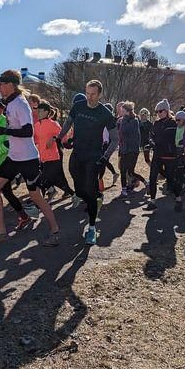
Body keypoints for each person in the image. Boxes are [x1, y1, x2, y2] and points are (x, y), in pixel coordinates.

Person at [0, 70, 60, 246]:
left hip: (28, 159)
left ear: (10, 85)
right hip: (14, 157)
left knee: (36, 196)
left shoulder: (20, 104)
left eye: (1, 84)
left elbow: (28, 132)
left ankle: (55, 230)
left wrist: (5, 131)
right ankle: (2, 232)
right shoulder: (10, 104)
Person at [56, 80, 118, 245]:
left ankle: (91, 228)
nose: (89, 97)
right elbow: (68, 122)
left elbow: (115, 139)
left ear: (99, 94)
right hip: (77, 154)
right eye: (87, 93)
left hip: (93, 156)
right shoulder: (78, 106)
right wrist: (60, 137)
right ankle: (88, 198)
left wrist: (105, 157)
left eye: (93, 94)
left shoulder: (105, 113)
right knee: (78, 187)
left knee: (89, 192)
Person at [0, 98, 32, 235]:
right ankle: (23, 216)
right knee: (5, 191)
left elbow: (10, 143)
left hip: (7, 162)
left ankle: (6, 221)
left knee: (2, 190)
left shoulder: (6, 122)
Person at [34, 100, 74, 199]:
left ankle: (37, 204)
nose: (38, 113)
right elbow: (35, 140)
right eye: (37, 111)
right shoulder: (36, 125)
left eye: (40, 111)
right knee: (56, 180)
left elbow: (63, 137)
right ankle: (74, 194)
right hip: (42, 158)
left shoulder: (53, 124)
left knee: (43, 180)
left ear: (47, 112)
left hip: (53, 158)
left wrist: (54, 138)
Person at [147, 99, 182, 211]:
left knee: (171, 179)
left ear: (167, 111)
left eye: (161, 111)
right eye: (157, 112)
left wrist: (155, 141)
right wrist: (151, 141)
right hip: (157, 154)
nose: (158, 113)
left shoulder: (172, 123)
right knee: (152, 178)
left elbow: (167, 137)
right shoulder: (156, 123)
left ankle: (178, 199)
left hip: (169, 155)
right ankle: (152, 201)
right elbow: (152, 135)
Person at [117, 101, 146, 198]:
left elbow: (125, 131)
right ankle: (124, 190)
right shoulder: (123, 120)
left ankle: (145, 182)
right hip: (124, 149)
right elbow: (121, 133)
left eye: (123, 110)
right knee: (123, 170)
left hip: (132, 150)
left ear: (128, 111)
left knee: (130, 171)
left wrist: (122, 121)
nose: (121, 112)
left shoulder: (134, 121)